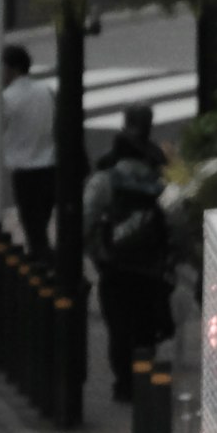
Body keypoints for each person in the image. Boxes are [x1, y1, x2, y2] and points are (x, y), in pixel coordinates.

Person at [84, 107, 178, 402]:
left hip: (115, 265)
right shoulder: (160, 178)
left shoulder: (106, 177)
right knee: (144, 325)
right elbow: (176, 221)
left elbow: (86, 218)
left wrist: (96, 252)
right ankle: (143, 377)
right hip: (150, 266)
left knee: (118, 326)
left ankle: (124, 382)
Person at [0, 43, 62, 266]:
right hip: (50, 166)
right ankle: (46, 262)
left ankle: (46, 272)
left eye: (3, 68)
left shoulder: (8, 98)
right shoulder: (46, 91)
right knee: (40, 224)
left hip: (25, 173)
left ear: (12, 69)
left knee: (32, 225)